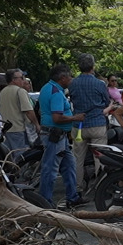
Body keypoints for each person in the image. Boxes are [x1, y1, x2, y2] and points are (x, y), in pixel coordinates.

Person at [38, 64, 87, 209]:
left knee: (69, 165)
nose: (71, 79)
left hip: (59, 135)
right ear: (62, 78)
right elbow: (57, 118)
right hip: (55, 135)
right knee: (51, 169)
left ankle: (73, 197)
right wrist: (75, 118)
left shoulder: (48, 88)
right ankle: (45, 201)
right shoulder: (56, 93)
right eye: (70, 76)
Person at [68, 53, 113, 193]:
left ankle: (78, 187)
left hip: (79, 125)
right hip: (97, 123)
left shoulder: (73, 83)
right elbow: (106, 101)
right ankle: (100, 187)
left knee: (77, 158)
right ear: (93, 66)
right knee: (99, 157)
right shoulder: (99, 84)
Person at [0, 68, 40, 158]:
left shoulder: (2, 92)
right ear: (14, 80)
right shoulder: (20, 91)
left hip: (6, 129)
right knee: (21, 156)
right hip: (18, 129)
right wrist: (37, 124)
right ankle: (21, 172)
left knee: (9, 156)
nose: (24, 80)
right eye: (21, 77)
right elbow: (28, 111)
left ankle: (11, 172)